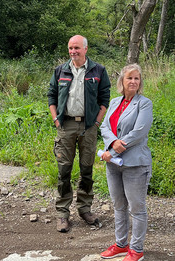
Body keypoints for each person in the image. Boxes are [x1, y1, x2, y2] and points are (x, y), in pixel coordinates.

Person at [47, 35, 111, 232]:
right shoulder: (61, 70)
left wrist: (97, 121)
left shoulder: (98, 70)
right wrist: (56, 119)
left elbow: (105, 97)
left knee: (86, 169)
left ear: (85, 49)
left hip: (88, 126)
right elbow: (51, 95)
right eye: (70, 48)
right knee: (64, 170)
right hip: (65, 125)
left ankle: (85, 209)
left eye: (76, 48)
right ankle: (62, 214)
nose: (73, 51)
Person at [99, 63, 153, 261]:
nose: (133, 81)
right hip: (113, 164)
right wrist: (112, 144)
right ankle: (121, 244)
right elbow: (104, 126)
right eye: (129, 78)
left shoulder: (144, 103)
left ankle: (136, 250)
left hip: (135, 164)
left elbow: (139, 132)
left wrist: (110, 151)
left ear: (140, 82)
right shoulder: (114, 102)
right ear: (122, 81)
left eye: (137, 78)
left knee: (137, 209)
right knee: (119, 206)